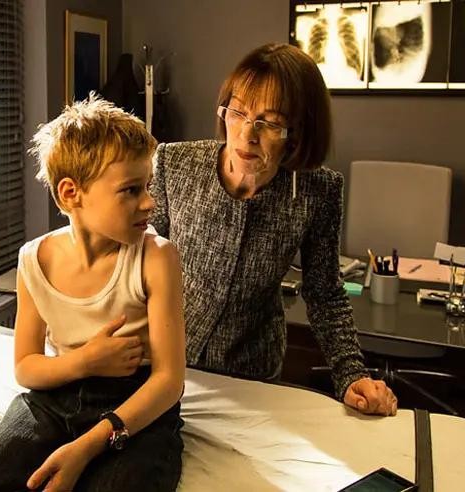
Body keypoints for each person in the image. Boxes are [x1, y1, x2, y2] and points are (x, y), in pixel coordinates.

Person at [0, 95, 186, 492]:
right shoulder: (34, 260)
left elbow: (169, 381)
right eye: (131, 190)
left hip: (136, 409)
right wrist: (85, 361)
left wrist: (86, 447)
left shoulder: (155, 257)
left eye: (148, 186)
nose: (149, 202)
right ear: (71, 193)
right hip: (55, 400)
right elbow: (26, 367)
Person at [149, 43, 397, 416]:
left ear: (298, 132)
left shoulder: (318, 190)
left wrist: (351, 373)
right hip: (164, 358)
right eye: (238, 113)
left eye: (269, 122)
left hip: (251, 372)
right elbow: (137, 264)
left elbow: (325, 293)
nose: (247, 134)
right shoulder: (175, 163)